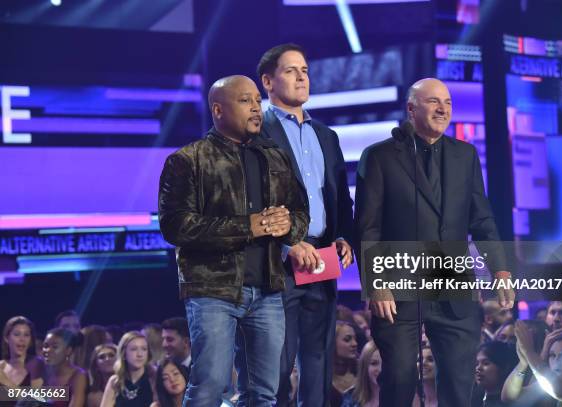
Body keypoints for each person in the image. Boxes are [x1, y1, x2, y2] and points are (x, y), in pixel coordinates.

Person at [355, 77, 515, 407]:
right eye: (433, 102)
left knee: (460, 383)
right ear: (411, 108)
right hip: (398, 287)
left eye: (448, 103)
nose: (443, 109)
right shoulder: (380, 157)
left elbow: (481, 219)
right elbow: (367, 227)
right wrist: (376, 284)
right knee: (398, 378)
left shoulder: (465, 155)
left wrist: (500, 271)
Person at [158, 74, 309, 407]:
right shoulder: (188, 160)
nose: (256, 108)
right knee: (209, 388)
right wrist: (247, 227)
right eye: (245, 101)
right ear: (218, 109)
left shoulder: (275, 157)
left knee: (266, 393)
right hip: (213, 291)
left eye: (258, 100)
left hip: (269, 290)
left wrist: (288, 225)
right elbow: (175, 226)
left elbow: (300, 214)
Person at [256, 42, 355, 407]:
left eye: (305, 70)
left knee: (318, 363)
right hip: (278, 264)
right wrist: (286, 245)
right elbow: (254, 201)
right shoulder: (258, 133)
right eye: (290, 71)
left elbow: (341, 198)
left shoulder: (326, 135)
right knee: (277, 367)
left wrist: (346, 237)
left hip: (323, 261)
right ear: (268, 81)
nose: (301, 77)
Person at [100, 331, 156, 407]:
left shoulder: (154, 379)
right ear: (124, 353)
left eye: (144, 349)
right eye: (134, 349)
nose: (140, 354)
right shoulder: (115, 381)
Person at [41, 328, 87, 407]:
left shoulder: (78, 376)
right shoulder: (42, 372)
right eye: (45, 346)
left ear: (68, 350)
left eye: (55, 347)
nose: (48, 350)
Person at [0, 316, 44, 400]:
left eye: (26, 335)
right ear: (6, 338)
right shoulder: (1, 366)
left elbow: (35, 402)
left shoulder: (37, 365)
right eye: (17, 334)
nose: (22, 339)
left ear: (30, 340)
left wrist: (6, 382)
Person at [472, 341, 518, 407]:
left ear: (504, 367)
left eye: (486, 363)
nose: (478, 368)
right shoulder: (472, 398)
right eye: (477, 364)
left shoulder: (514, 401)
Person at [341, 341, 381, 407]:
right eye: (374, 363)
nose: (380, 369)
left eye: (385, 365)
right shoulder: (351, 396)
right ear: (364, 366)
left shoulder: (400, 398)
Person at [332, 321, 359, 407]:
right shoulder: (320, 377)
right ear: (332, 343)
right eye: (347, 339)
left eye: (355, 339)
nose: (355, 344)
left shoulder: (362, 372)